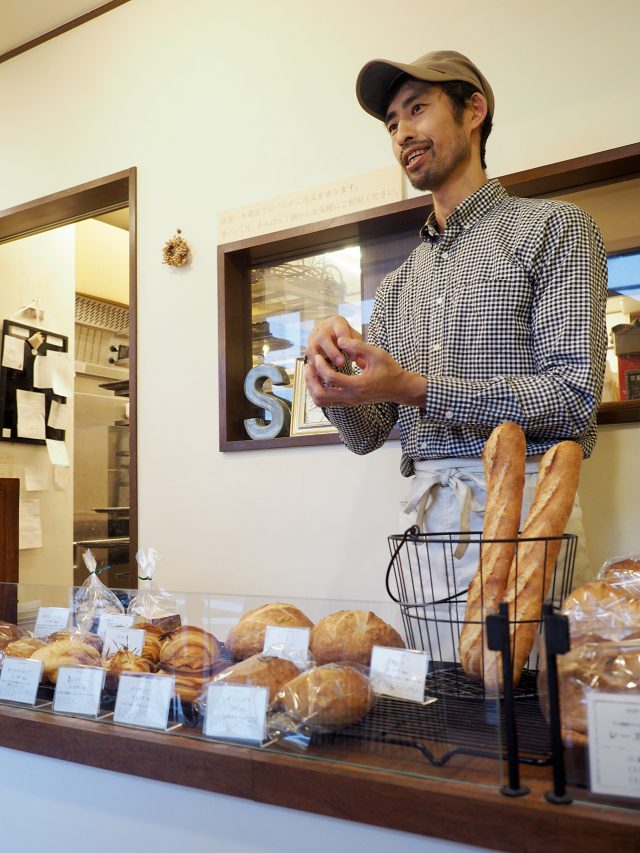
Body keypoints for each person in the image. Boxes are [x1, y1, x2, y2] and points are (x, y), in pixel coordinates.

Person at [304, 50, 608, 639]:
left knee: (523, 716)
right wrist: (331, 381)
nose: (402, 134)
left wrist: (415, 387)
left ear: (474, 110)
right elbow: (369, 433)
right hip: (425, 520)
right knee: (436, 714)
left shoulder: (554, 227)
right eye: (391, 122)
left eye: (417, 109)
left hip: (526, 511)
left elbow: (573, 396)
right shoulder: (398, 284)